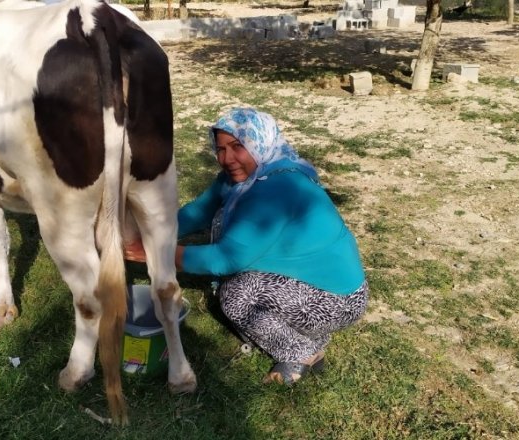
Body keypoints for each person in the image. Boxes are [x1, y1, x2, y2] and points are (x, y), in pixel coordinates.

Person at [125, 107, 368, 386]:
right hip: (318, 286)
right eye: (220, 149)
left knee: (236, 296)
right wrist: (152, 233)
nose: (226, 159)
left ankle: (302, 352)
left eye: (238, 146)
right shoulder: (244, 177)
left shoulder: (277, 188)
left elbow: (225, 260)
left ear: (259, 141)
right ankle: (307, 333)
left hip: (340, 300)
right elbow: (198, 212)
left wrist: (157, 254)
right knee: (240, 287)